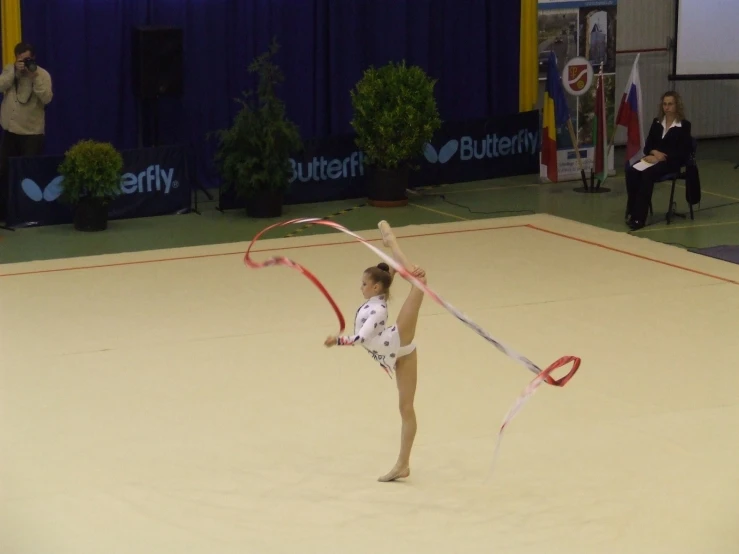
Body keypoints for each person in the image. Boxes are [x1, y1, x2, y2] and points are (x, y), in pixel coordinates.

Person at [324, 227, 426, 483]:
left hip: (399, 340)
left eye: (363, 284)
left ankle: (394, 242)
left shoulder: (378, 311)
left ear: (375, 287)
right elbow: (390, 274)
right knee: (405, 408)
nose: (360, 287)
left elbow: (361, 339)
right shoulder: (377, 296)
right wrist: (391, 269)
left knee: (419, 284)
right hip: (399, 355)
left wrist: (338, 340)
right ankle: (403, 465)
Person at [624, 91, 692, 231]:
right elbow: (648, 145)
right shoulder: (656, 122)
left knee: (647, 174)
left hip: (671, 163)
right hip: (653, 158)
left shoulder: (684, 126)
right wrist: (654, 153)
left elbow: (683, 152)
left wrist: (662, 157)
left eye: (670, 104)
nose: (667, 107)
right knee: (631, 171)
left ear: (677, 106)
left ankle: (639, 218)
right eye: (665, 104)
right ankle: (632, 210)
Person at [0, 42, 53, 219]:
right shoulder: (10, 70)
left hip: (31, 133)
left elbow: (46, 98)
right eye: (20, 59)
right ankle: (5, 212)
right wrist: (14, 72)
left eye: (27, 59)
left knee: (28, 175)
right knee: (3, 172)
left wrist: (34, 76)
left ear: (34, 58)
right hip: (10, 130)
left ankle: (28, 213)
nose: (23, 62)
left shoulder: (43, 75)